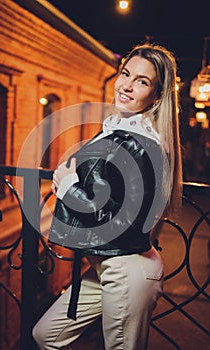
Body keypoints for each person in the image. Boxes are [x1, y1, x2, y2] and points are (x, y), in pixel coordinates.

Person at [32, 42, 183, 350]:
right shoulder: (119, 130)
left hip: (128, 267)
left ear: (156, 96)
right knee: (46, 335)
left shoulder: (143, 145)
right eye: (126, 74)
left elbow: (123, 224)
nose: (126, 86)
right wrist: (69, 177)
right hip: (105, 265)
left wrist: (71, 187)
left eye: (142, 81)